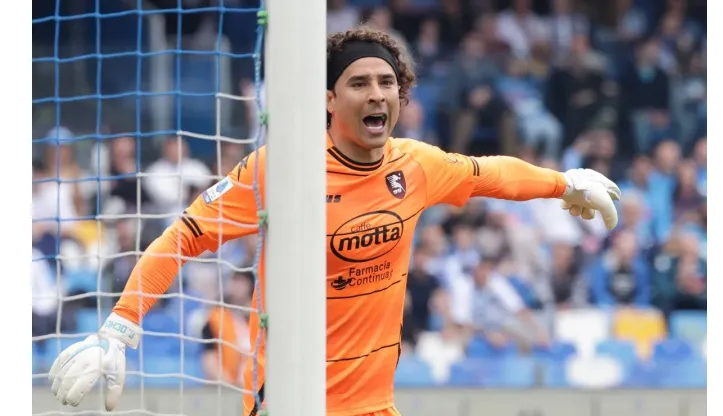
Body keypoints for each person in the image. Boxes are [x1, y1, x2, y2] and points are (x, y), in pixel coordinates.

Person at [48, 26, 621, 416]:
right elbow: (184, 237)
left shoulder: (415, 164)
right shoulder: (282, 169)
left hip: (374, 406)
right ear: (327, 98)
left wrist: (565, 183)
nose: (377, 94)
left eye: (387, 82)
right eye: (360, 83)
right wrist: (120, 327)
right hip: (291, 403)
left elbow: (488, 172)